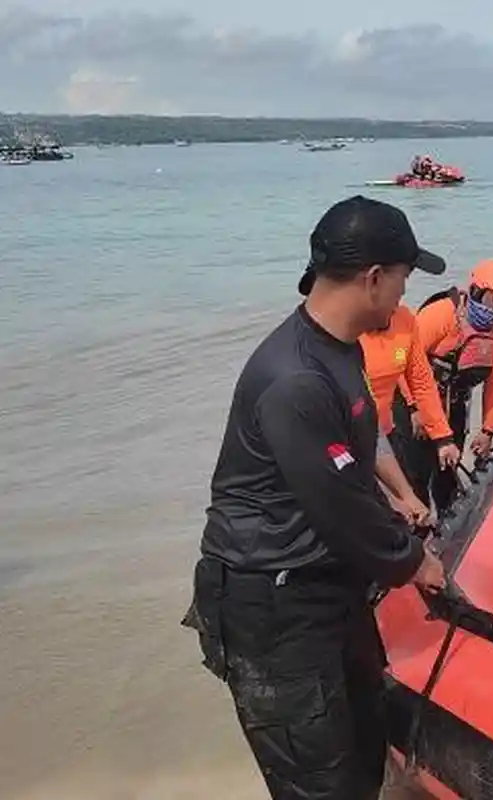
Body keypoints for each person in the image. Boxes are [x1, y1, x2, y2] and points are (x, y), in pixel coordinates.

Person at [184, 195, 448, 800]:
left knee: (364, 748)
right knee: (317, 783)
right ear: (374, 278)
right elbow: (338, 503)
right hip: (268, 599)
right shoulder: (295, 377)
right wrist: (413, 561)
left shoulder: (342, 348)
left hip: (324, 582)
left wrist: (400, 499)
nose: (405, 297)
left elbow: (356, 450)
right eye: (405, 279)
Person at [394, 258, 493, 513]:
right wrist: (413, 407)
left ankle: (449, 527)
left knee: (448, 472)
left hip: (455, 405)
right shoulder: (440, 315)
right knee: (415, 472)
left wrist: (487, 430)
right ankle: (415, 525)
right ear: (475, 291)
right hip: (413, 400)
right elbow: (400, 358)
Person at [360, 301, 461, 526]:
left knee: (411, 498)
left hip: (385, 432)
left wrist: (443, 438)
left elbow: (422, 380)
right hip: (353, 436)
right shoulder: (347, 330)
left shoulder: (404, 319)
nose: (402, 291)